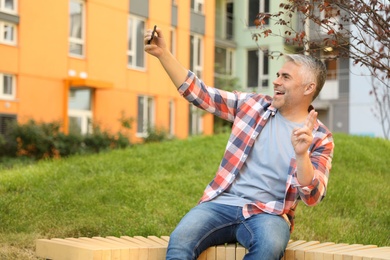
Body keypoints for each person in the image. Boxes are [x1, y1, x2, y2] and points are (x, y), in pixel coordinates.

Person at [144, 27, 334, 260]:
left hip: (269, 214)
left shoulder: (320, 137)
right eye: (278, 75)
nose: (275, 81)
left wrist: (302, 155)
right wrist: (163, 53)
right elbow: (201, 94)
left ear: (308, 88)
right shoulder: (252, 106)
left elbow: (313, 196)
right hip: (221, 203)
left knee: (268, 249)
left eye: (285, 77)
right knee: (180, 241)